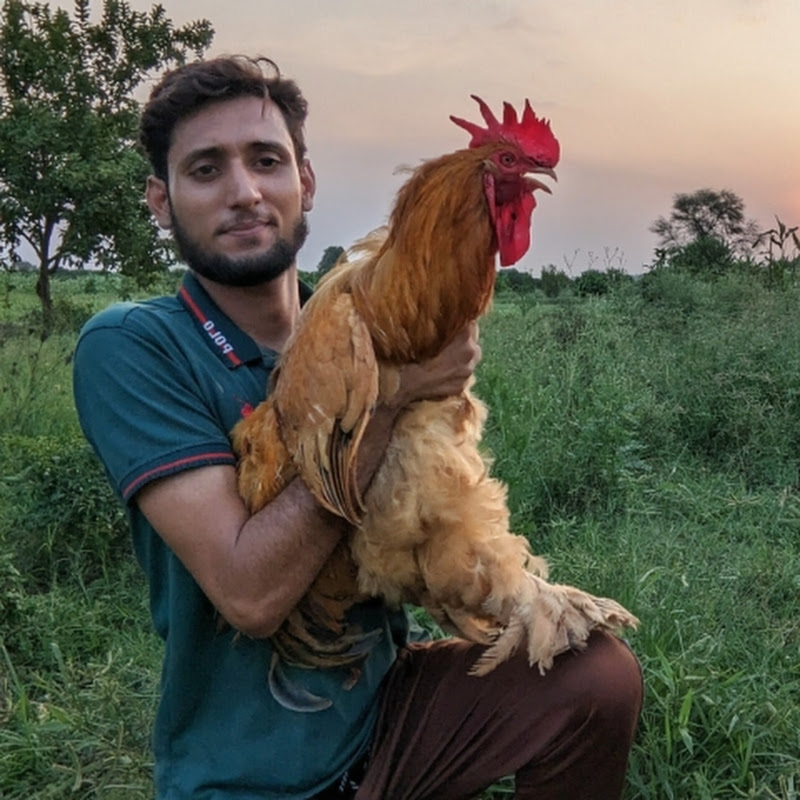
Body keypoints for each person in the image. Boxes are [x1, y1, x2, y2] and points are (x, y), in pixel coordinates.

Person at [73, 55, 642, 800]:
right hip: (252, 776)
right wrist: (398, 395)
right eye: (206, 170)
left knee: (596, 676)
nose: (244, 192)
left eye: (266, 160)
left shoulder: (361, 316)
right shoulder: (136, 345)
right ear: (161, 199)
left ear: (304, 181)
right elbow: (250, 596)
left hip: (384, 715)